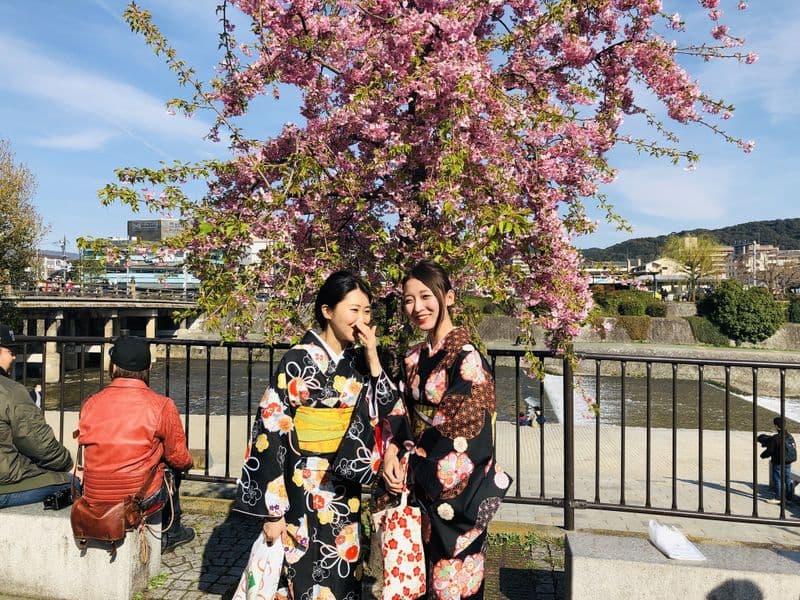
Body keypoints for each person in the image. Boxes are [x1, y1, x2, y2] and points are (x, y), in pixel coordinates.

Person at [233, 270, 405, 600]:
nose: (362, 319)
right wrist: (273, 510)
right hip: (301, 486)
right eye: (353, 310)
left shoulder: (360, 361)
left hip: (344, 486)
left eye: (367, 311)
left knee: (343, 571)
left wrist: (373, 360)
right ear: (327, 310)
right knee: (300, 570)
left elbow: (391, 412)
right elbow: (270, 431)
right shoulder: (298, 360)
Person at [381, 260, 512, 600]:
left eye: (426, 297)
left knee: (451, 585)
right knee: (413, 579)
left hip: (455, 495)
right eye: (408, 300)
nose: (417, 307)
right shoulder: (413, 357)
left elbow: (464, 433)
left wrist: (410, 460)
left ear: (449, 297)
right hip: (417, 485)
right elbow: (398, 409)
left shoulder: (468, 360)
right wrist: (392, 451)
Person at [76, 336, 195, 553]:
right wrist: (188, 463)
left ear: (112, 366)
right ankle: (173, 531)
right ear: (148, 367)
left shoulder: (90, 403)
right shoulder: (162, 405)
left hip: (93, 494)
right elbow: (179, 456)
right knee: (172, 465)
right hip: (139, 498)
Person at [0, 323, 75, 508]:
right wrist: (67, 462)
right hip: (4, 486)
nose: (15, 357)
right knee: (73, 482)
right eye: (11, 351)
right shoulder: (10, 391)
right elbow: (39, 445)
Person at [758, 416, 796, 504]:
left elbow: (770, 450)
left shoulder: (776, 437)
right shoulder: (789, 436)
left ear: (776, 426)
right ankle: (789, 498)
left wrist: (762, 455)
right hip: (788, 461)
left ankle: (778, 497)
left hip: (778, 461)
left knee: (777, 479)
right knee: (787, 479)